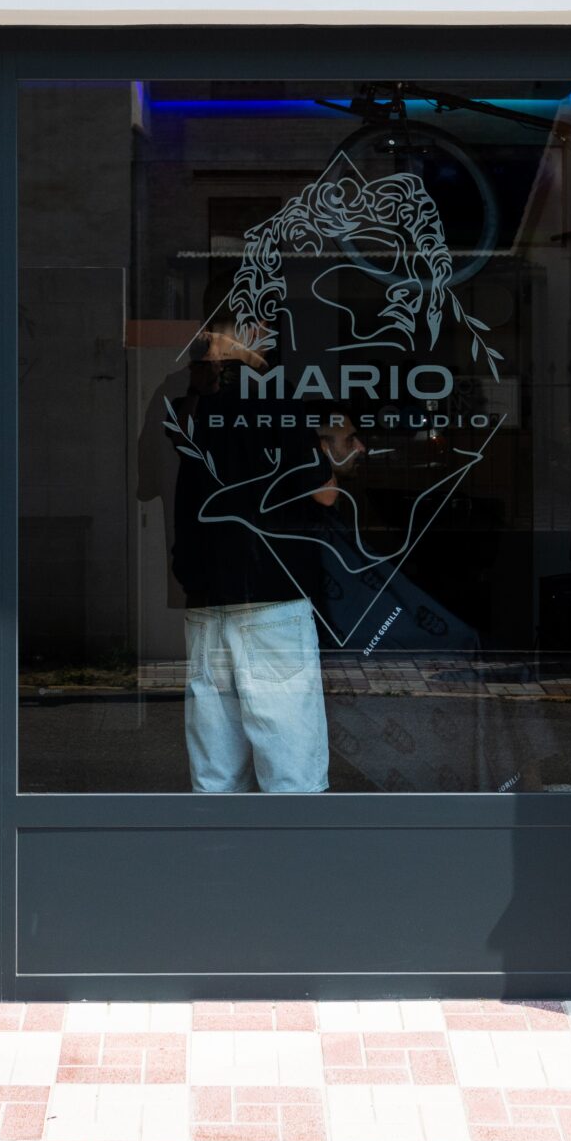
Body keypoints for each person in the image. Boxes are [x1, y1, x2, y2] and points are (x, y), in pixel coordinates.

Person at [151, 307, 361, 795]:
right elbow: (323, 494)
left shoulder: (189, 402)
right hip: (271, 590)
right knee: (291, 766)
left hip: (205, 592)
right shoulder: (275, 399)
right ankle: (292, 848)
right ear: (250, 335)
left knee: (216, 771)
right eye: (261, 325)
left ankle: (219, 845)